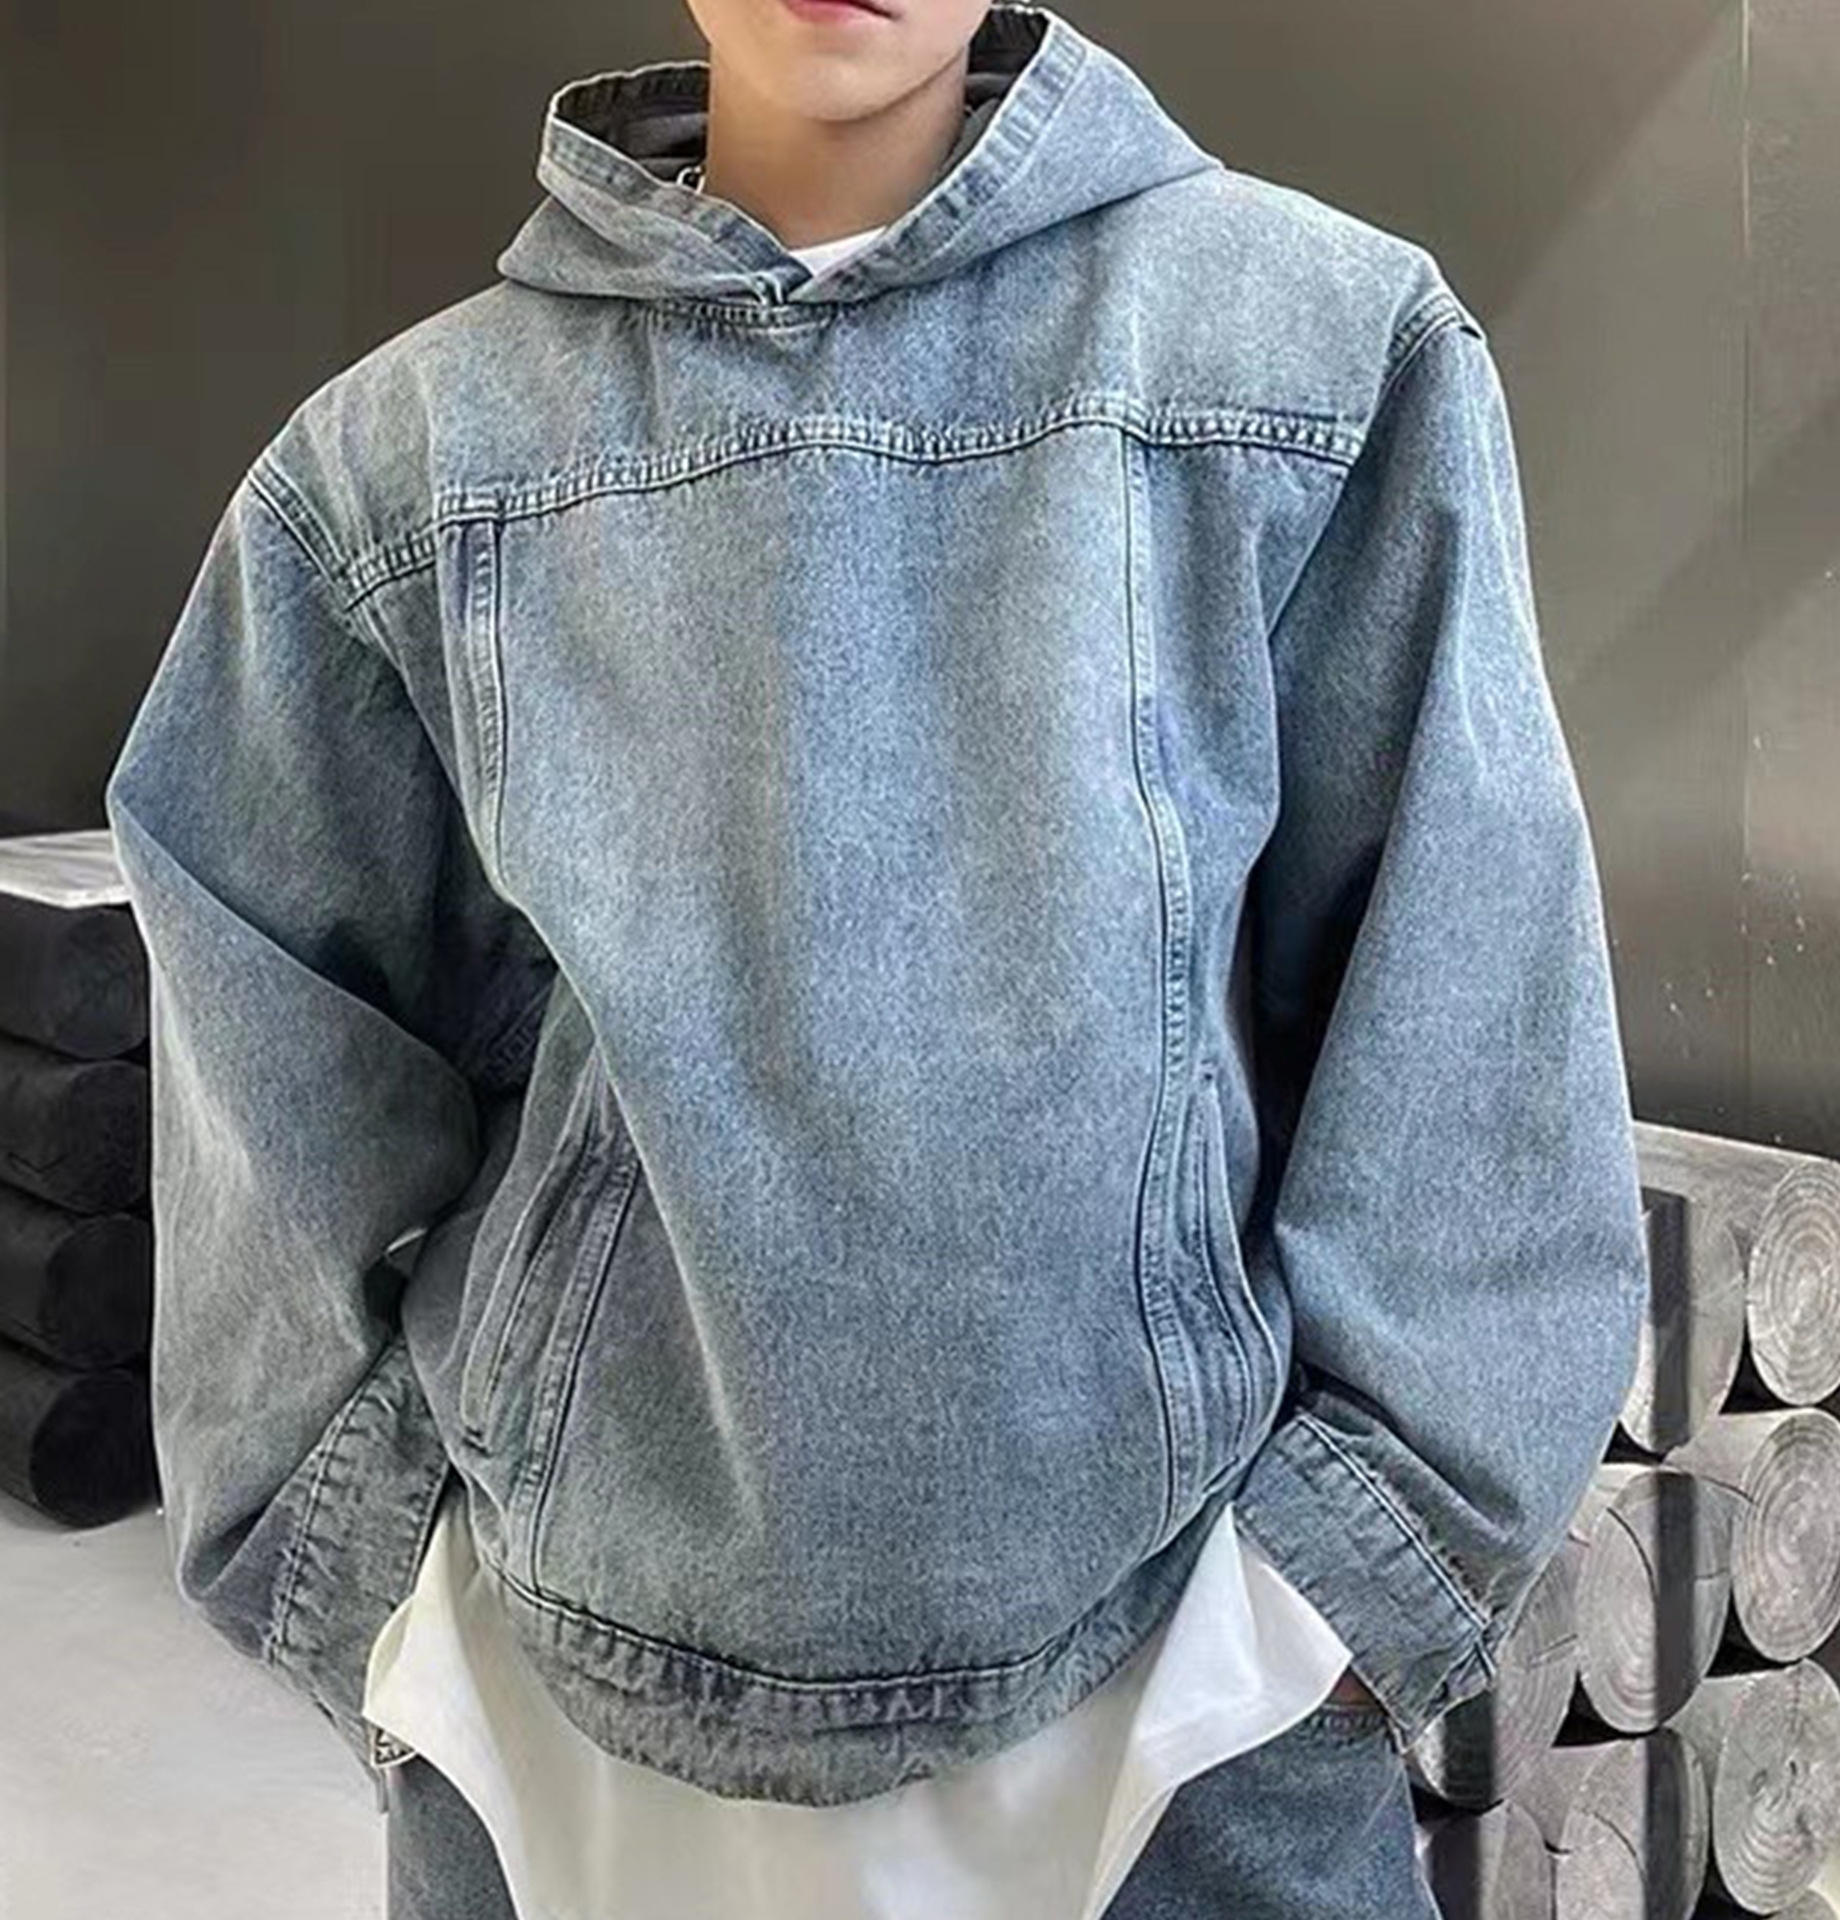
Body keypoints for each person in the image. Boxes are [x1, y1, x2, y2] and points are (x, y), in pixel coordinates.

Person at [102, 3, 1652, 1916]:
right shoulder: (404, 460)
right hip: (572, 1718)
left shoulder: (1320, 350)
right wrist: (388, 1600)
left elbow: (1474, 1021)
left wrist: (1324, 1603)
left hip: (1184, 1720)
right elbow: (257, 1024)